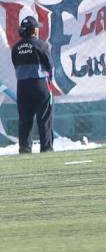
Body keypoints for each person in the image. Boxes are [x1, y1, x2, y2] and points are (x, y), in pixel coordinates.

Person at [12, 16, 53, 154]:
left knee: (24, 118)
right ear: (34, 31)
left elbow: (16, 65)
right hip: (39, 84)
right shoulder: (41, 45)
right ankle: (46, 149)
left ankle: (25, 148)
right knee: (44, 118)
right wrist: (49, 82)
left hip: (22, 86)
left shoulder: (16, 47)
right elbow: (50, 66)